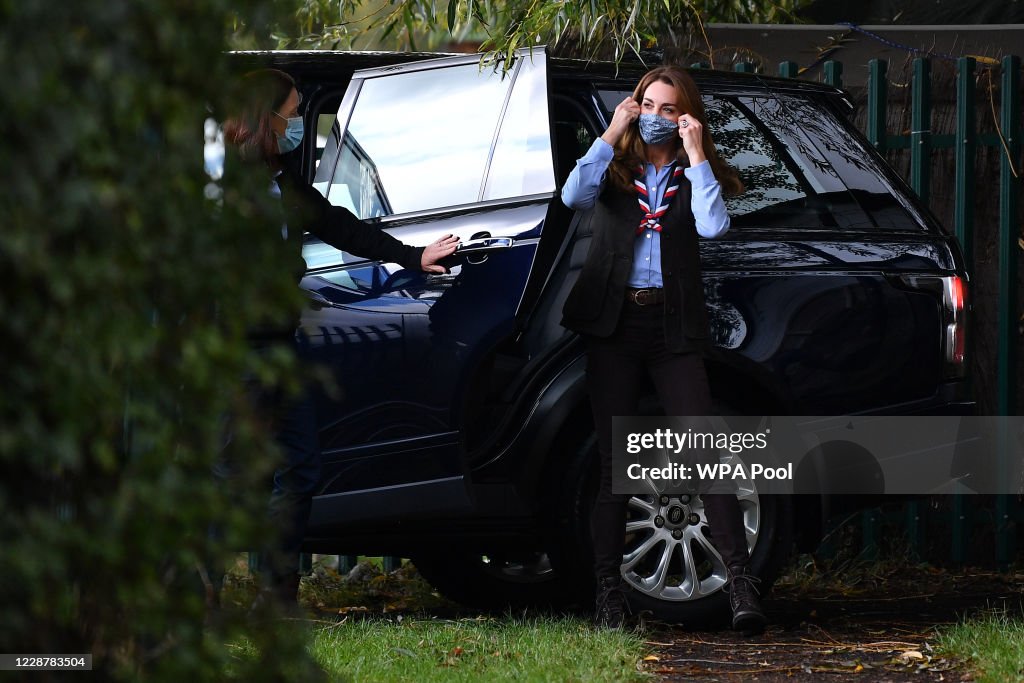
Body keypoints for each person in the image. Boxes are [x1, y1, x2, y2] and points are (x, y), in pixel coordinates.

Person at [221, 68, 459, 607]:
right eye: (295, 111)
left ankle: (277, 594)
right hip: (239, 352)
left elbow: (340, 225)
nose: (300, 123)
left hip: (282, 349)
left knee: (300, 467)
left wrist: (412, 256)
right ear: (268, 116)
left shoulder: (280, 183)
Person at [560, 66, 764, 633]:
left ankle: (741, 588)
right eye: (647, 103)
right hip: (615, 325)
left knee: (705, 450)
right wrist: (611, 131)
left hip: (673, 328)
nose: (655, 115)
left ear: (684, 117)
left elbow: (713, 228)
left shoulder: (693, 171)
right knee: (613, 466)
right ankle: (608, 595)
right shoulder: (614, 167)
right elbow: (572, 196)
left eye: (667, 108)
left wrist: (697, 153)